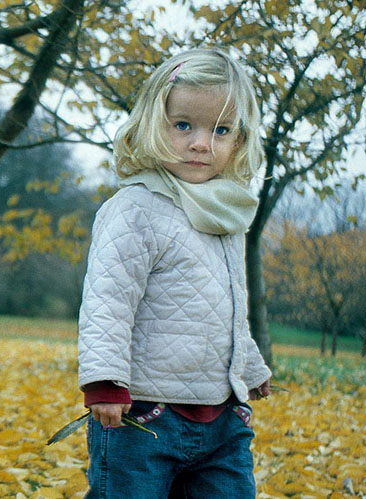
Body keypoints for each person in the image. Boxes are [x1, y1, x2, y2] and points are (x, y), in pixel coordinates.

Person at [77, 47, 272, 498]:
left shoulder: (224, 214)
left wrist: (250, 364)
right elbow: (109, 300)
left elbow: (228, 304)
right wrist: (104, 382)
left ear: (239, 140)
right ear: (152, 125)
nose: (202, 142)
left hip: (222, 419)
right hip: (142, 418)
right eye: (184, 125)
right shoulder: (134, 209)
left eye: (220, 130)